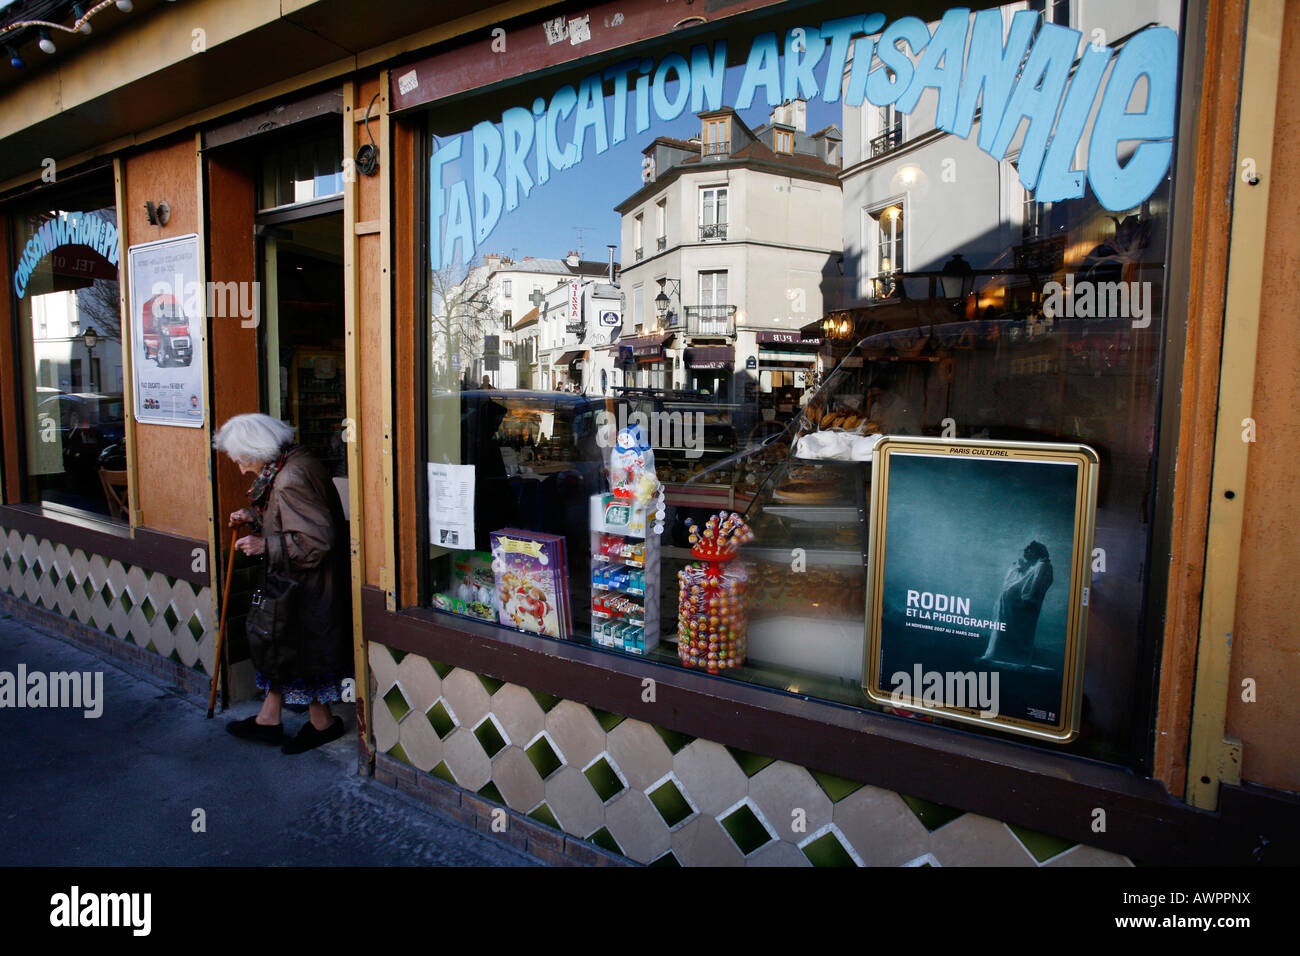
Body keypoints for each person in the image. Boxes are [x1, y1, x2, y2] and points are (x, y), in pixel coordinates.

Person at [213, 413, 352, 754]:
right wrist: (255, 517)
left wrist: (265, 545)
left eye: (242, 460)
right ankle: (269, 719)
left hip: (307, 585)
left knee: (296, 650)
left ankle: (321, 724)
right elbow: (289, 516)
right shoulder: (292, 462)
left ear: (257, 449)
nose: (242, 469)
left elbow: (316, 541)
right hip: (300, 582)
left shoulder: (291, 477)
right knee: (284, 648)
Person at [979, 541, 1054, 667]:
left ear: (1035, 552)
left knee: (1017, 632)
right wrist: (1019, 569)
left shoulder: (1042, 566)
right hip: (1017, 606)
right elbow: (1017, 583)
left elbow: (1034, 587)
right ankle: (1004, 654)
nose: (1025, 553)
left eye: (1028, 550)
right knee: (1008, 630)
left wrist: (1026, 600)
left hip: (1023, 607)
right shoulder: (1035, 566)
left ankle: (1008, 655)